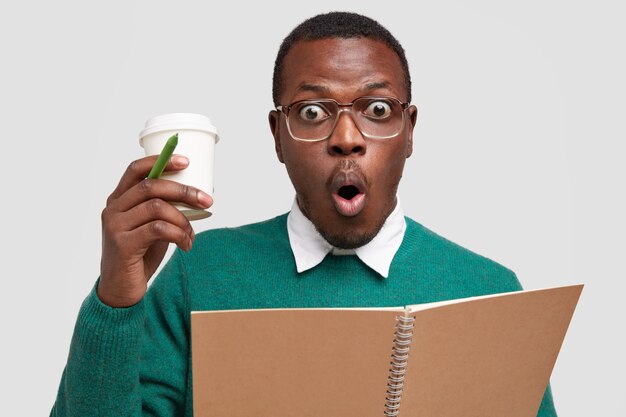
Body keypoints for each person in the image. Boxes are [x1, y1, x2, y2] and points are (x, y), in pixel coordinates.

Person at [50, 11, 557, 417]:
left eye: (377, 110)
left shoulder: (490, 291)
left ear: (409, 131)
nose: (346, 138)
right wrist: (116, 298)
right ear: (277, 136)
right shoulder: (195, 274)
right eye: (312, 112)